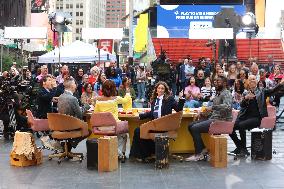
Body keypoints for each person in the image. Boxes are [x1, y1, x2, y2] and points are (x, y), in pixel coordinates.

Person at [129, 81, 185, 162]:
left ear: (165, 90)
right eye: (159, 88)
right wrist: (140, 116)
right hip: (155, 126)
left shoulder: (169, 99)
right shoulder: (154, 100)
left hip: (165, 127)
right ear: (156, 90)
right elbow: (152, 113)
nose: (160, 90)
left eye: (162, 88)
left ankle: (144, 155)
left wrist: (181, 98)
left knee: (139, 131)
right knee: (138, 131)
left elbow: (178, 109)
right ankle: (143, 155)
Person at [229, 75, 284, 156]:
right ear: (248, 82)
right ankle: (240, 147)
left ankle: (243, 149)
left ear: (257, 81)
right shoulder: (245, 92)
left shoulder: (262, 91)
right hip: (244, 116)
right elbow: (242, 105)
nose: (252, 81)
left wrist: (281, 84)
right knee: (230, 127)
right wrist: (246, 98)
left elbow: (273, 90)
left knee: (241, 126)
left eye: (254, 79)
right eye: (250, 80)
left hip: (256, 118)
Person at [186, 76, 232, 161]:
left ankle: (199, 153)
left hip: (221, 120)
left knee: (195, 128)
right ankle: (203, 149)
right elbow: (213, 109)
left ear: (224, 83)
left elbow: (227, 107)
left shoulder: (226, 93)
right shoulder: (218, 93)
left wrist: (212, 107)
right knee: (190, 125)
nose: (216, 83)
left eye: (218, 82)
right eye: (215, 81)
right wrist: (203, 113)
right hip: (214, 118)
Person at [93, 80, 132, 162]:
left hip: (101, 128)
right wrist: (127, 92)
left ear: (102, 89)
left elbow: (95, 114)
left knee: (117, 135)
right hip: (114, 127)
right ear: (114, 89)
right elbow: (126, 100)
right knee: (124, 135)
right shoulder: (116, 99)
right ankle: (120, 153)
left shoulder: (98, 101)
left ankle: (116, 152)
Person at [57, 77, 89, 151]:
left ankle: (67, 147)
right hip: (71, 126)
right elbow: (80, 115)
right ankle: (71, 143)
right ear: (72, 86)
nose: (76, 85)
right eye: (75, 84)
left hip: (60, 125)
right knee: (88, 130)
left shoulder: (61, 97)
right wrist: (87, 105)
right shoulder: (73, 99)